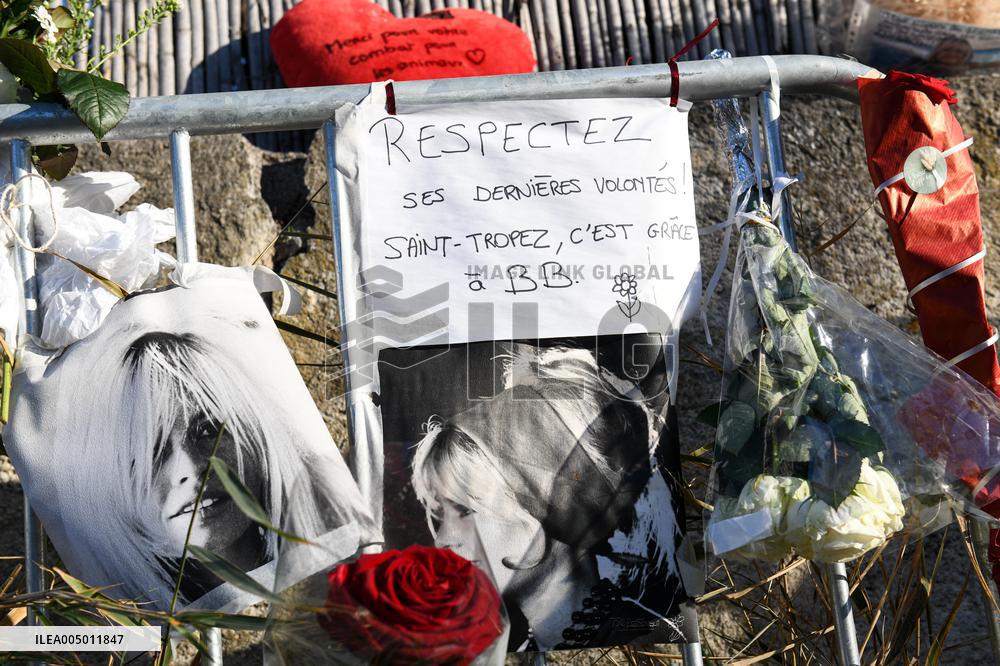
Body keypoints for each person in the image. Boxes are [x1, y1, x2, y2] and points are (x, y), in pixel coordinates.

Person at [13, 268, 374, 610]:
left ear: (256, 433)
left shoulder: (333, 528)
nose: (187, 469)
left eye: (208, 432)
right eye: (151, 449)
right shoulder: (129, 621)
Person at [411, 346, 686, 650]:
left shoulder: (644, 631)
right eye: (439, 516)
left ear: (547, 507)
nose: (442, 540)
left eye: (464, 511)